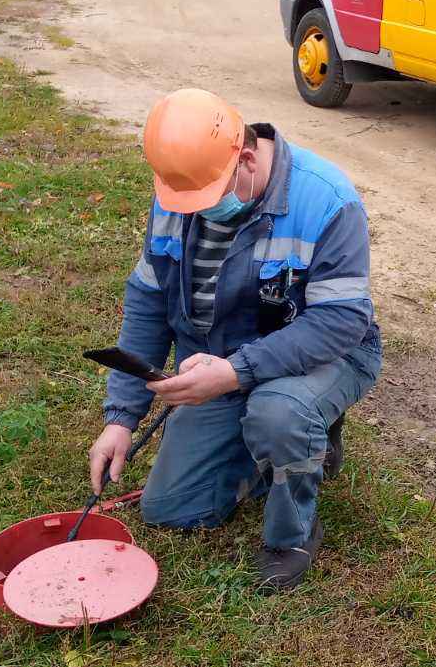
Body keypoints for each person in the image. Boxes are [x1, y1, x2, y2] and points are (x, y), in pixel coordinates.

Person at [88, 89, 381, 592]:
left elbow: (339, 321)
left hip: (324, 354)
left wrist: (234, 372)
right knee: (172, 509)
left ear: (246, 158)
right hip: (220, 365)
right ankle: (282, 441)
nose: (201, 211)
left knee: (279, 413)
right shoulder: (179, 193)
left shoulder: (327, 200)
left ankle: (294, 533)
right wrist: (121, 417)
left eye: (209, 197)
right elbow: (147, 306)